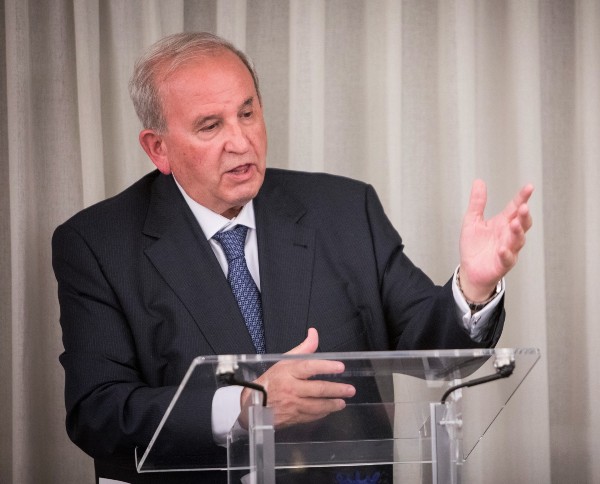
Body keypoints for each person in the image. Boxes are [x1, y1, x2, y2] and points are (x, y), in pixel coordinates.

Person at [52, 32, 533, 484]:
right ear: (158, 148)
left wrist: (473, 287)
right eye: (211, 126)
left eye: (247, 113)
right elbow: (98, 411)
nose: (241, 141)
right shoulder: (97, 244)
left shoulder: (345, 210)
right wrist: (244, 407)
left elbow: (434, 350)